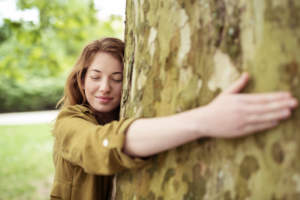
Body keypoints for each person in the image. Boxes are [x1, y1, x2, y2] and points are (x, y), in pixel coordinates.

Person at [50, 37, 298, 200]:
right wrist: (206, 120)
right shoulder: (68, 122)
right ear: (81, 80)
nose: (105, 87)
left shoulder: (132, 112)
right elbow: (97, 144)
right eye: (95, 77)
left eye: (117, 79)